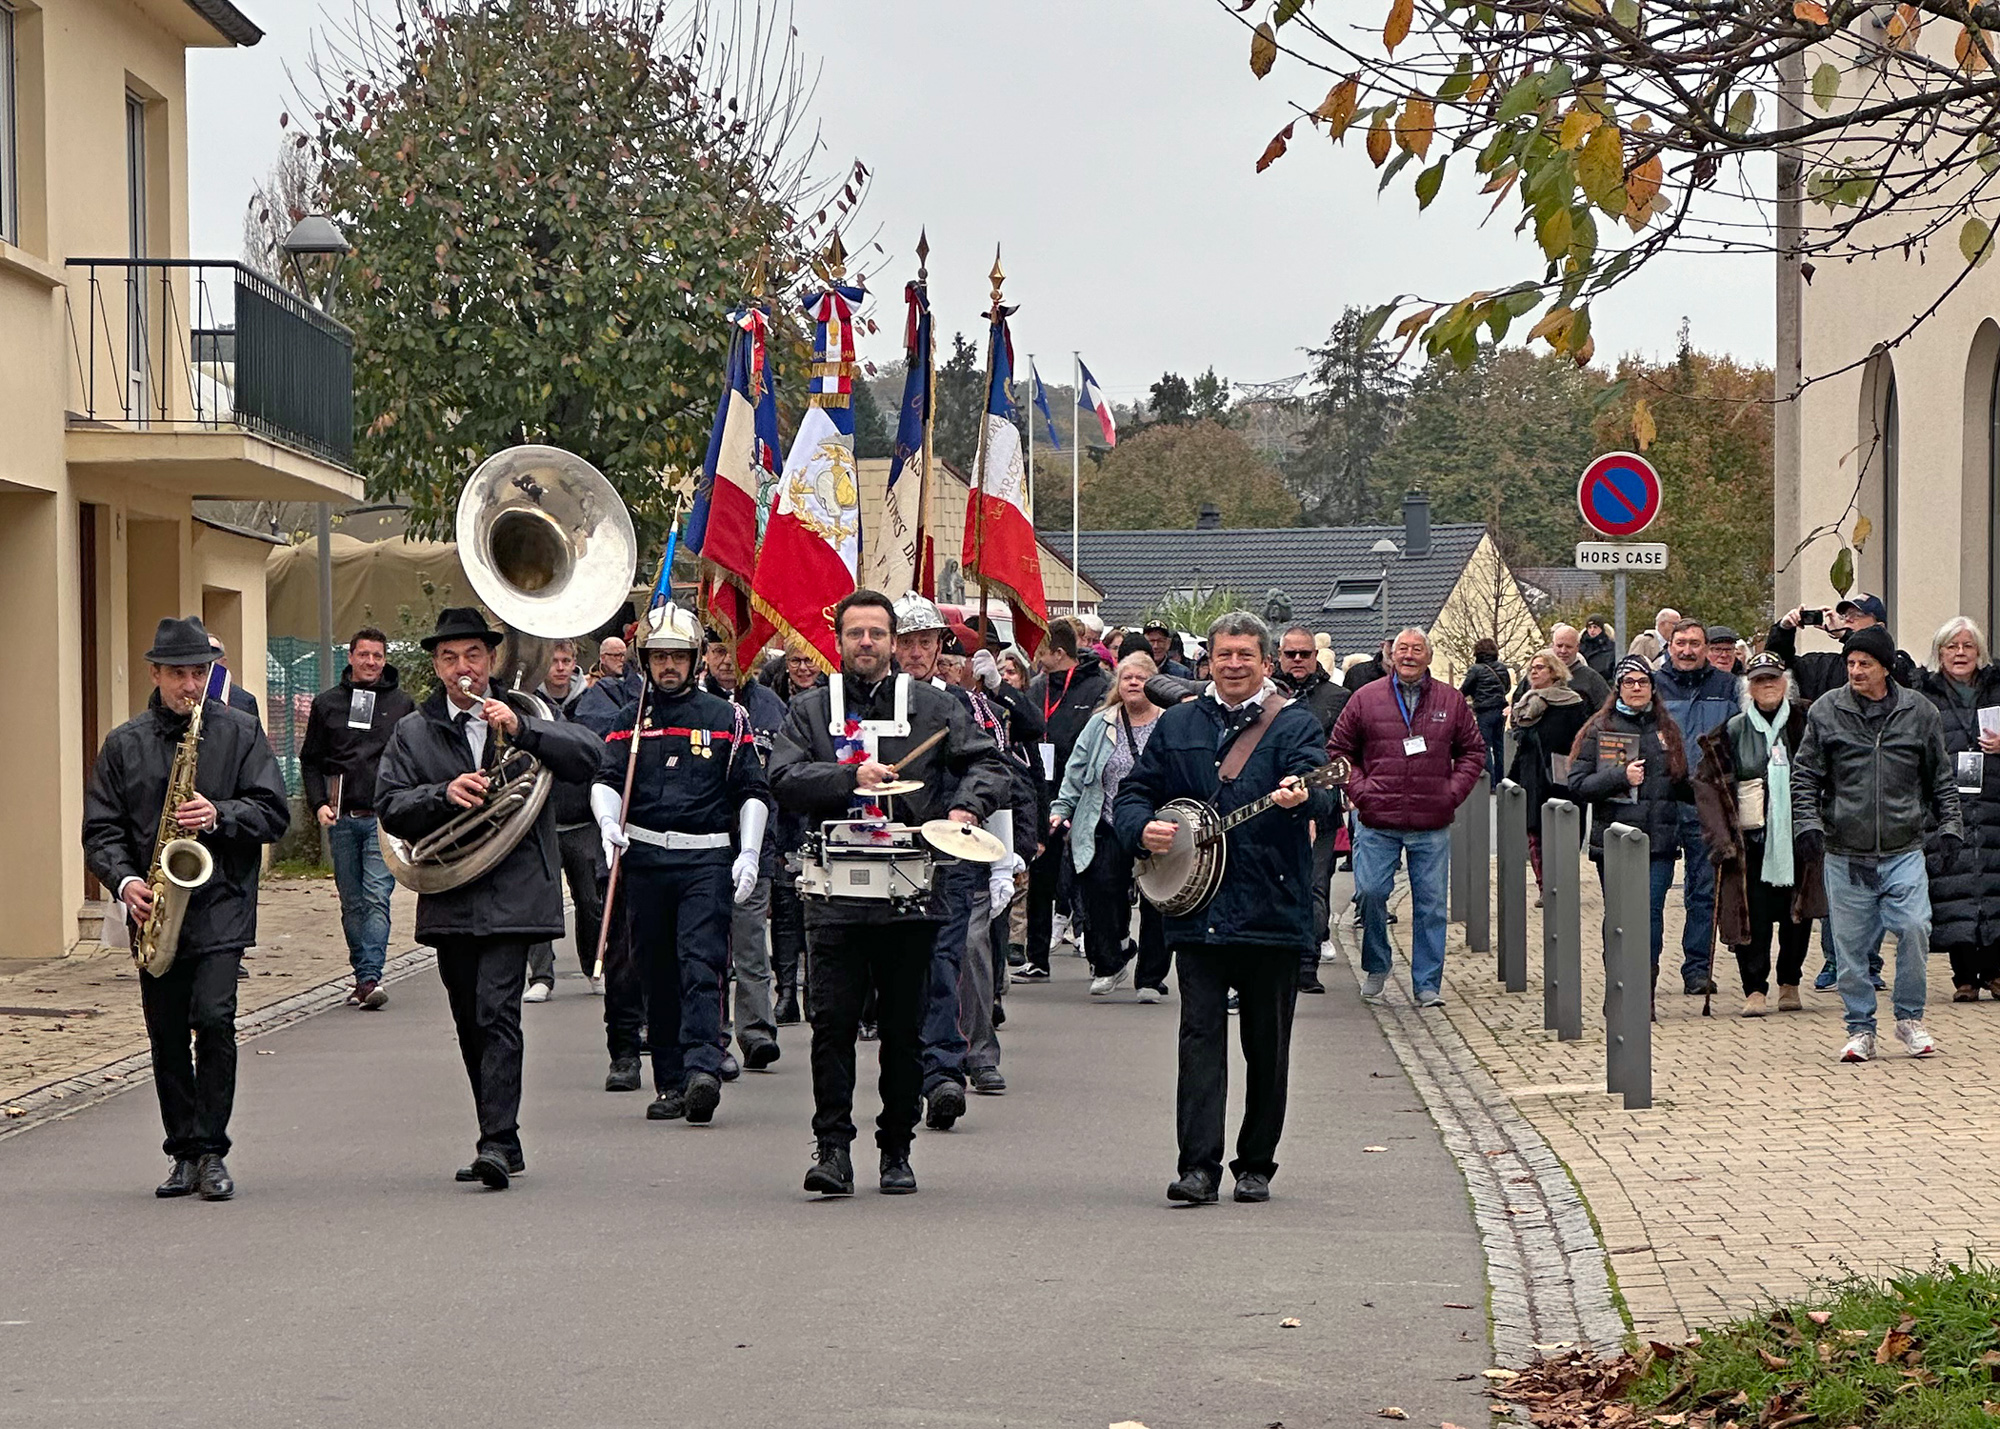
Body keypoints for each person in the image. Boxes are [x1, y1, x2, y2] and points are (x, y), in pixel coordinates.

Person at [768, 590, 1010, 1197]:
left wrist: (963, 808)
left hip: (915, 893)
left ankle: (896, 1148)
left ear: (895, 642)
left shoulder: (935, 706)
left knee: (905, 1029)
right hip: (834, 896)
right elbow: (782, 777)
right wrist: (849, 776)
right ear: (840, 640)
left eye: (878, 633)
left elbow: (991, 765)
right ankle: (832, 1148)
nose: (867, 644)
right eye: (856, 633)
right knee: (832, 1025)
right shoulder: (809, 710)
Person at [375, 608, 601, 1188]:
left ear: (492, 659)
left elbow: (588, 757)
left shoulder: (528, 712)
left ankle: (496, 1141)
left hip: (516, 888)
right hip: (451, 889)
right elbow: (391, 806)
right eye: (449, 659)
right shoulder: (415, 730)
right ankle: (502, 1134)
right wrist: (442, 794)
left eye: (472, 656)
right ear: (435, 665)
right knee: (468, 1018)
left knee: (497, 1009)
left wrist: (525, 731)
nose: (462, 669)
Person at [1114, 611, 1333, 1206]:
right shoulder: (1180, 722)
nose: (1234, 664)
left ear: (1266, 662)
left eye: (1246, 655)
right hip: (1196, 907)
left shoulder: (1294, 725)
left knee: (1268, 1046)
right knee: (1199, 1038)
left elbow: (1327, 793)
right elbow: (1135, 790)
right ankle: (1198, 1168)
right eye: (1224, 654)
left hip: (1272, 908)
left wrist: (1303, 796)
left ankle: (1256, 1162)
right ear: (1208, 660)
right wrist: (1141, 829)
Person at [82, 616, 290, 1202]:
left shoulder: (242, 732)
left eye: (200, 672)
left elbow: (274, 814)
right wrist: (124, 884)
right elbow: (101, 830)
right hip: (155, 908)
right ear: (156, 674)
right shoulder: (124, 744)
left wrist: (220, 814)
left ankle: (214, 1150)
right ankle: (183, 1153)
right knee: (167, 1033)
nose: (191, 685)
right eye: (179, 673)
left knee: (215, 1020)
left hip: (221, 900)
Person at [590, 608, 770, 1123]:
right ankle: (669, 1081)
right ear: (646, 660)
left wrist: (750, 853)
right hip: (644, 860)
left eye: (677, 656)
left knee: (701, 963)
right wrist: (607, 824)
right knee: (657, 973)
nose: (668, 666)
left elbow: (752, 791)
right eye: (659, 656)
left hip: (705, 860)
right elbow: (604, 779)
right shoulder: (630, 719)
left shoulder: (724, 717)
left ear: (694, 660)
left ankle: (702, 1068)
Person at [1792, 624, 1960, 1062]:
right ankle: (1860, 1027)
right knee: (1851, 948)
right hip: (1845, 849)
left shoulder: (1920, 712)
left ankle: (1909, 1017)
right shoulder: (1826, 711)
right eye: (1850, 663)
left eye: (1865, 663)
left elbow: (1941, 778)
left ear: (1885, 667)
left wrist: (1950, 826)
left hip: (1904, 846)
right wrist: (1806, 824)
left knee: (1914, 927)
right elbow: (1805, 774)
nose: (1855, 670)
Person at [890, 594, 1021, 1123]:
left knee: (956, 957)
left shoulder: (966, 706)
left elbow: (999, 777)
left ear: (939, 647)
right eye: (907, 642)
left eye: (925, 642)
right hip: (886, 856)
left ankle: (962, 1063)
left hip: (950, 856)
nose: (916, 652)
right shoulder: (869, 702)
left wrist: (1003, 862)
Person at [1327, 628, 1485, 1007]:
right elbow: (1339, 751)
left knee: (1431, 907)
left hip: (1431, 822)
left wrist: (1451, 793)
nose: (1409, 655)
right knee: (1370, 893)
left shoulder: (1450, 700)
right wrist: (1362, 792)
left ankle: (1427, 984)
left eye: (1417, 649)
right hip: (1377, 819)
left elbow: (1473, 753)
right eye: (1402, 649)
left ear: (1429, 657)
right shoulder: (1366, 698)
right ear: (1390, 656)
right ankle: (1377, 964)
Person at [1693, 653, 1825, 1016]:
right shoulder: (1732, 730)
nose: (1767, 686)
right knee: (1752, 918)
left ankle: (1790, 983)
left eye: (1773, 679)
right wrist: (1720, 839)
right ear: (1747, 688)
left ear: (1786, 683)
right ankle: (1754, 989)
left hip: (1799, 836)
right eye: (1758, 680)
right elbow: (1707, 785)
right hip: (1749, 842)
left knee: (1797, 915)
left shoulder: (1806, 723)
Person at [300, 626, 416, 1009]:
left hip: (385, 820)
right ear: (350, 657)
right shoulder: (327, 704)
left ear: (385, 659)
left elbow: (415, 760)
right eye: (364, 655)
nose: (371, 662)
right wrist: (318, 802)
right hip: (342, 818)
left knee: (376, 896)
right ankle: (361, 975)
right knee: (351, 901)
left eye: (378, 656)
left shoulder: (403, 705)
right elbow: (311, 760)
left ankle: (370, 978)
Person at [1566, 657, 1696, 996]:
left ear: (1653, 688)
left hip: (1660, 842)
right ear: (1618, 687)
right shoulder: (1599, 728)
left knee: (1650, 916)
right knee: (1621, 918)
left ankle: (1644, 991)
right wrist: (1619, 777)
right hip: (1616, 842)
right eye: (1629, 682)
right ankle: (1620, 988)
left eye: (1643, 682)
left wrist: (1710, 788)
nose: (1636, 688)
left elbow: (1681, 783)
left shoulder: (1667, 728)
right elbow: (1578, 784)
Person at [699, 628, 791, 1071]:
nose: (726, 660)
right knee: (708, 946)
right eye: (718, 651)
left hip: (759, 844)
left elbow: (783, 779)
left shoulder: (771, 707)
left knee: (752, 944)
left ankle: (756, 1032)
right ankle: (712, 1036)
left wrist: (773, 845)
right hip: (707, 845)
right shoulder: (698, 708)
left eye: (737, 651)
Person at [1054, 650, 1169, 1001]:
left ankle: (1150, 978)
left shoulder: (1171, 721)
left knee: (1158, 901)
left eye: (1142, 677)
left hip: (1157, 822)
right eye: (1127, 677)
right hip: (1105, 819)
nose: (1133, 682)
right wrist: (1061, 807)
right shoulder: (1101, 722)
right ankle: (1110, 963)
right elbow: (1077, 767)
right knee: (1100, 890)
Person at [1913, 618, 2000, 1002]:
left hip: (1994, 798)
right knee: (1954, 885)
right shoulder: (1925, 695)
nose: (1960, 653)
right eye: (1952, 646)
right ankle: (1964, 975)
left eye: (1967, 646)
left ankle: (1996, 972)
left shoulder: (1997, 689)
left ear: (1979, 652)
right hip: (1946, 800)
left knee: (1994, 884)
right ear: (1940, 653)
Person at [1019, 619, 1109, 981]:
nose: (1036, 659)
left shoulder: (1099, 687)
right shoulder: (1036, 687)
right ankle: (1037, 956)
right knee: (1041, 876)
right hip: (1044, 792)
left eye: (1041, 651)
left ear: (1059, 652)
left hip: (1084, 795)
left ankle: (1100, 953)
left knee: (1087, 878)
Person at [1654, 620, 1741, 995]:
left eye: (1695, 644)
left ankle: (1697, 969)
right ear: (1669, 645)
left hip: (1706, 803)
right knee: (1652, 893)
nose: (1687, 650)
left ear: (1706, 648)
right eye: (1681, 643)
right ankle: (1647, 969)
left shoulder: (1727, 687)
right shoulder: (1652, 685)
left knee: (1705, 891)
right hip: (1661, 802)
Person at [524, 638, 604, 1002]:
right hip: (541, 821)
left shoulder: (593, 703)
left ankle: (594, 968)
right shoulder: (527, 704)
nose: (559, 666)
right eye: (553, 660)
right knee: (542, 902)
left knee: (591, 902)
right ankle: (541, 976)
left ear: (575, 664)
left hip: (583, 821)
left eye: (566, 660)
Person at [1275, 623, 1349, 989]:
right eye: (1291, 654)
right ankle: (1279, 962)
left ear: (1316, 656)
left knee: (1316, 884)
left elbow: (1347, 751)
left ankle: (1307, 964)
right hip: (1271, 805)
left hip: (1321, 804)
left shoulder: (1338, 697)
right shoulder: (1266, 694)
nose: (1298, 660)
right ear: (1279, 656)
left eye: (1305, 653)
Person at [1505, 650, 1591, 894]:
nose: (1533, 671)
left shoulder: (1572, 703)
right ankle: (1545, 886)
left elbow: (1580, 739)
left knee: (1564, 832)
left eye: (1540, 667)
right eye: (1532, 667)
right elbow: (1523, 743)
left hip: (1561, 776)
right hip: (1532, 774)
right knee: (1534, 832)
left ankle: (1562, 881)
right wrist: (1512, 777)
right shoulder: (1527, 702)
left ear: (1554, 672)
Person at [1766, 593, 1919, 703]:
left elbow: (1899, 675)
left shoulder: (1895, 663)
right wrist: (1784, 630)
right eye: (1845, 615)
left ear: (1879, 627)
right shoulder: (1825, 666)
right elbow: (1777, 666)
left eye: (1857, 615)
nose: (1848, 619)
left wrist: (1846, 635)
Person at [1459, 637, 1512, 792]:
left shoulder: (1476, 669)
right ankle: (1501, 780)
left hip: (1484, 711)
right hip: (1500, 710)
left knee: (1484, 746)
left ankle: (1490, 781)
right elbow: (1507, 688)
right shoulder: (1502, 668)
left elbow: (1465, 690)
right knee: (1498, 746)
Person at [1579, 617, 1617, 683]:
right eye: (1589, 627)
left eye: (1595, 627)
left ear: (1602, 628)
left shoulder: (1611, 647)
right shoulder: (1580, 647)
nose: (1592, 630)